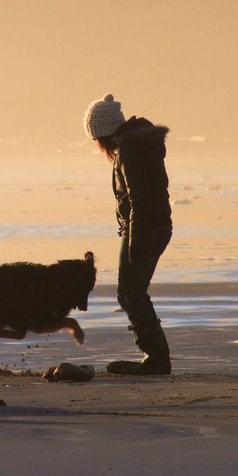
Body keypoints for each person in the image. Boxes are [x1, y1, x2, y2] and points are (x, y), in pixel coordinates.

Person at [83, 93, 173, 375]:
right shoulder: (134, 144)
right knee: (132, 292)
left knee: (130, 293)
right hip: (150, 226)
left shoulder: (130, 150)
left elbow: (139, 200)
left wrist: (135, 240)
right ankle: (156, 356)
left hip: (145, 228)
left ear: (103, 134)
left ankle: (157, 359)